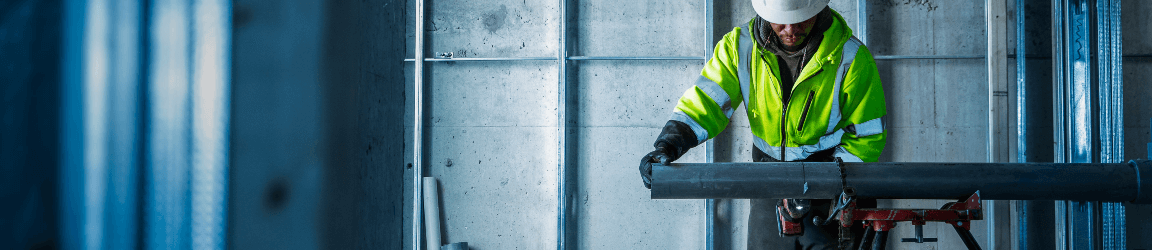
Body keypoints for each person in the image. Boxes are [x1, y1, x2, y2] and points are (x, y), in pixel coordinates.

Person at [637, 0, 887, 249]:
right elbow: (706, 103)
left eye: (801, 19)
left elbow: (867, 135)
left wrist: (828, 184)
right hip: (769, 180)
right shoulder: (739, 48)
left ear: (817, 10)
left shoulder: (851, 58)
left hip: (830, 183)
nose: (790, 29)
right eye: (781, 20)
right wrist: (668, 145)